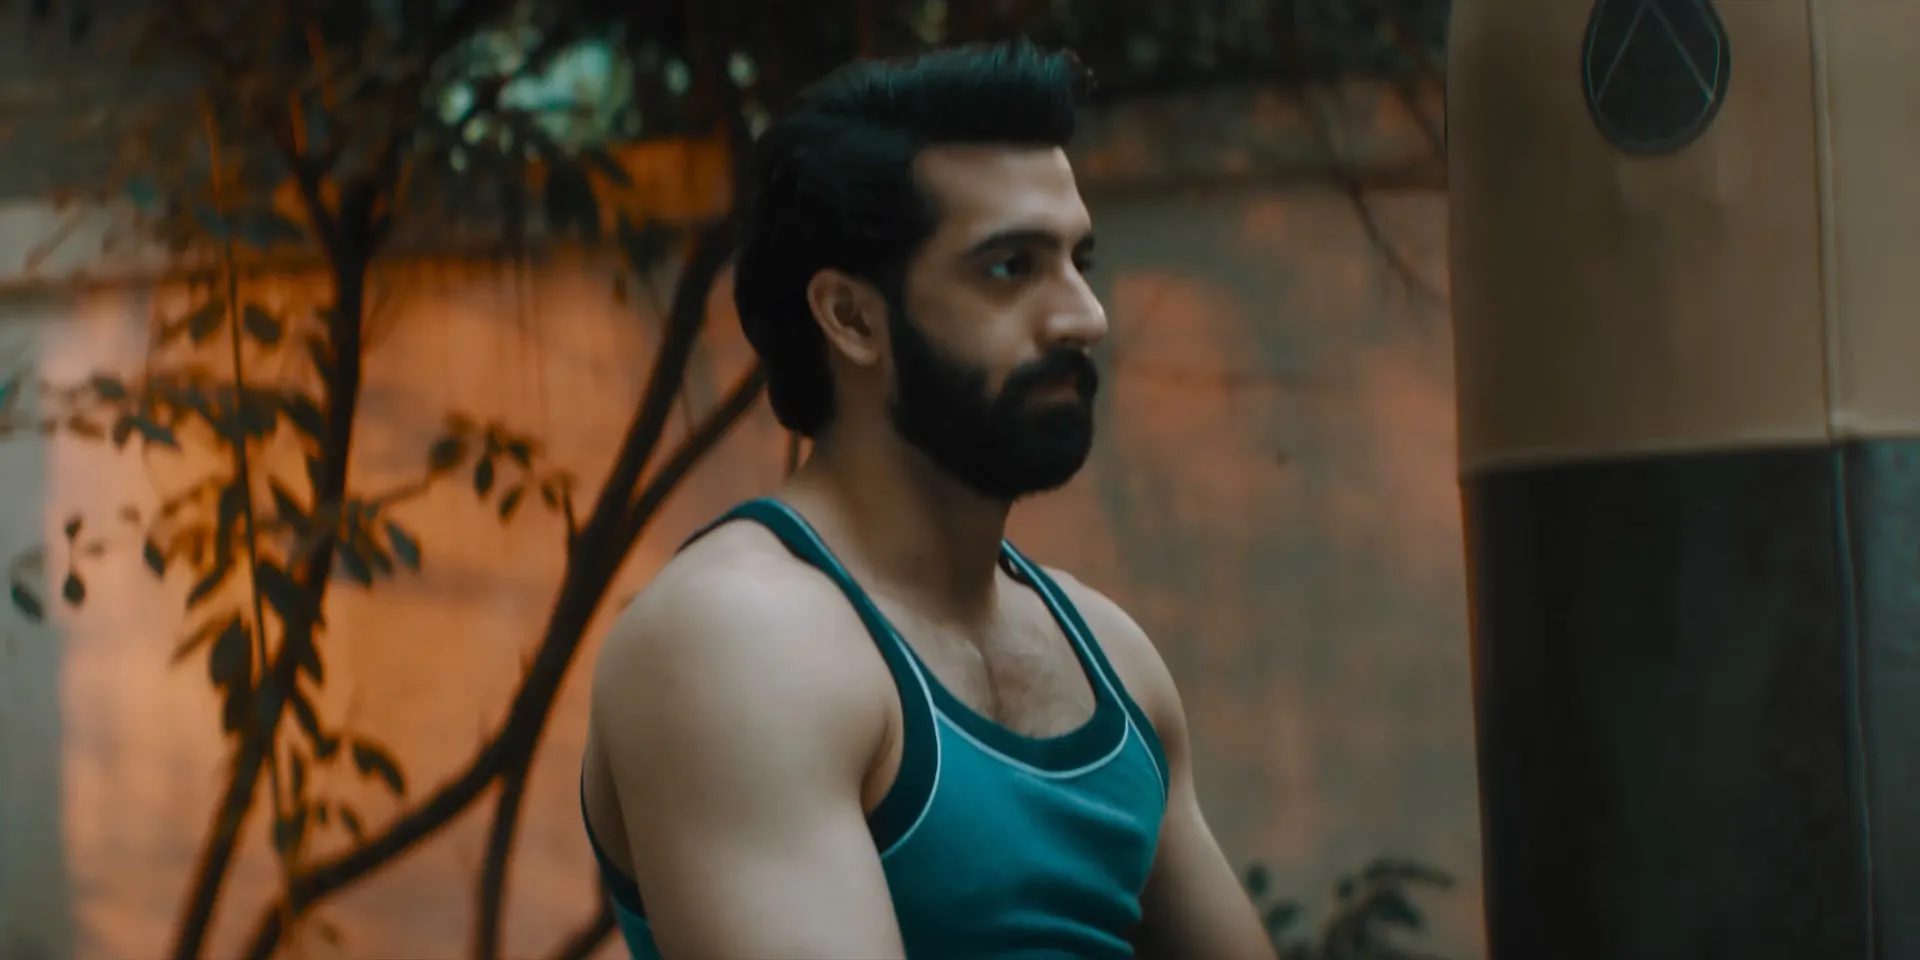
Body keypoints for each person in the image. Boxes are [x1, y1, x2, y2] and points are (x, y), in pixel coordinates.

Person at [580, 39, 1275, 960]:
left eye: (1079, 260)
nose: (1085, 316)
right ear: (851, 318)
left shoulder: (1112, 658)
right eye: (1010, 267)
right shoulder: (739, 639)